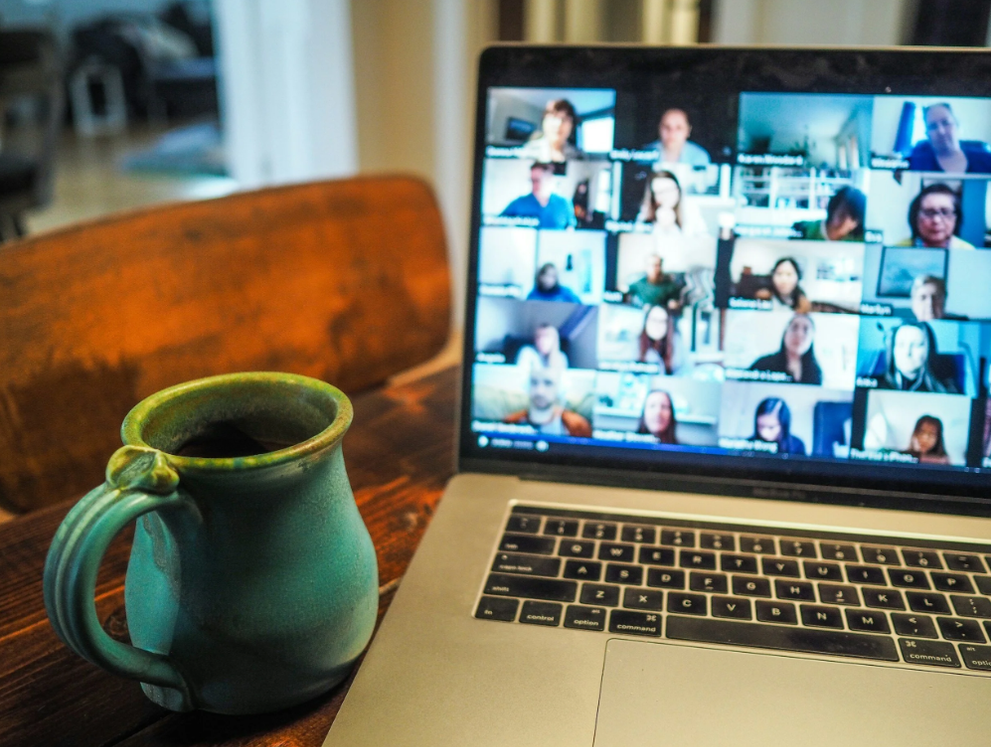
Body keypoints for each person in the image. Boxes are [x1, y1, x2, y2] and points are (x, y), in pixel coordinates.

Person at [503, 364, 592, 437]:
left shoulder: (578, 426)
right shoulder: (511, 422)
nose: (539, 391)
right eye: (534, 382)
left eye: (548, 383)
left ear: (559, 388)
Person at [907, 103, 991, 174]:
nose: (941, 131)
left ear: (957, 125)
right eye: (933, 126)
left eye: (946, 122)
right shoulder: (916, 165)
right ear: (927, 134)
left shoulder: (986, 160)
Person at [878, 321, 959, 394]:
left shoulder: (945, 390)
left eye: (916, 345)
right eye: (901, 345)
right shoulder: (876, 385)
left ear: (928, 349)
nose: (907, 353)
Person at [749, 313, 823, 385]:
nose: (799, 334)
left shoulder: (815, 372)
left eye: (806, 330)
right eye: (794, 328)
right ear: (785, 332)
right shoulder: (762, 365)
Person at [500, 161, 576, 230]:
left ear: (549, 179)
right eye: (532, 181)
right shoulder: (519, 203)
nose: (534, 184)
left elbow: (570, 230)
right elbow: (498, 224)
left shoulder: (564, 203)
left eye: (537, 180)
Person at [897, 183, 974, 249]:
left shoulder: (967, 251)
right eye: (929, 212)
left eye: (945, 212)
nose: (936, 220)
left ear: (956, 218)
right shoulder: (898, 249)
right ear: (915, 217)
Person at [636, 169, 709, 237]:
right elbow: (636, 241)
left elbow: (704, 241)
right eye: (659, 192)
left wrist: (671, 227)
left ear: (678, 190)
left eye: (668, 190)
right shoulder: (645, 213)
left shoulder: (691, 210)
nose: (665, 196)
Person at [792, 186, 866, 242]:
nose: (845, 221)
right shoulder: (805, 231)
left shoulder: (859, 241)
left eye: (852, 218)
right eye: (842, 214)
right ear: (833, 208)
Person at [642, 108, 711, 166]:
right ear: (659, 129)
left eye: (678, 128)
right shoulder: (644, 154)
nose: (671, 132)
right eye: (666, 127)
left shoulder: (699, 156)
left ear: (688, 131)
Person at [519, 98, 579, 163]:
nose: (558, 124)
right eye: (554, 117)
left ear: (572, 125)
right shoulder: (526, 153)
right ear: (544, 121)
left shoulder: (579, 157)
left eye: (564, 119)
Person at [638, 304, 686, 375]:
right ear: (646, 322)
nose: (657, 325)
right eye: (654, 320)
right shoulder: (635, 345)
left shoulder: (677, 346)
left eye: (662, 321)